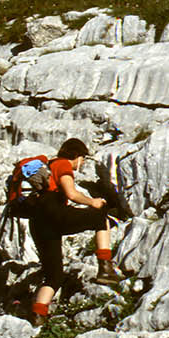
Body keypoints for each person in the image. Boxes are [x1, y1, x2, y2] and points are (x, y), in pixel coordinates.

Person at [26, 138, 120, 323]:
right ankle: (105, 269)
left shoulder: (49, 167)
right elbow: (71, 193)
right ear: (76, 155)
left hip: (37, 223)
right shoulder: (62, 164)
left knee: (54, 275)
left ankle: (38, 315)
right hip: (53, 213)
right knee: (101, 218)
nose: (83, 163)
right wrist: (93, 202)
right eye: (83, 158)